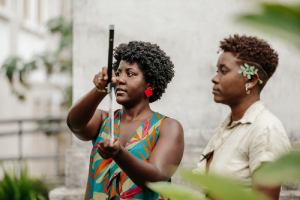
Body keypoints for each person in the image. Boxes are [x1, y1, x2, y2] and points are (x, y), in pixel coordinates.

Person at [67, 41, 184, 200]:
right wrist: (99, 90)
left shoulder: (167, 127)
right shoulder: (104, 121)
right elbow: (75, 124)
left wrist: (119, 153)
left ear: (150, 84)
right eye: (118, 72)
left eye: (130, 73)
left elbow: (156, 178)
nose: (119, 79)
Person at [194, 35, 291, 200]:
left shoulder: (266, 129)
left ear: (251, 80)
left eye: (223, 71)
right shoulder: (230, 125)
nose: (214, 78)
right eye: (217, 71)